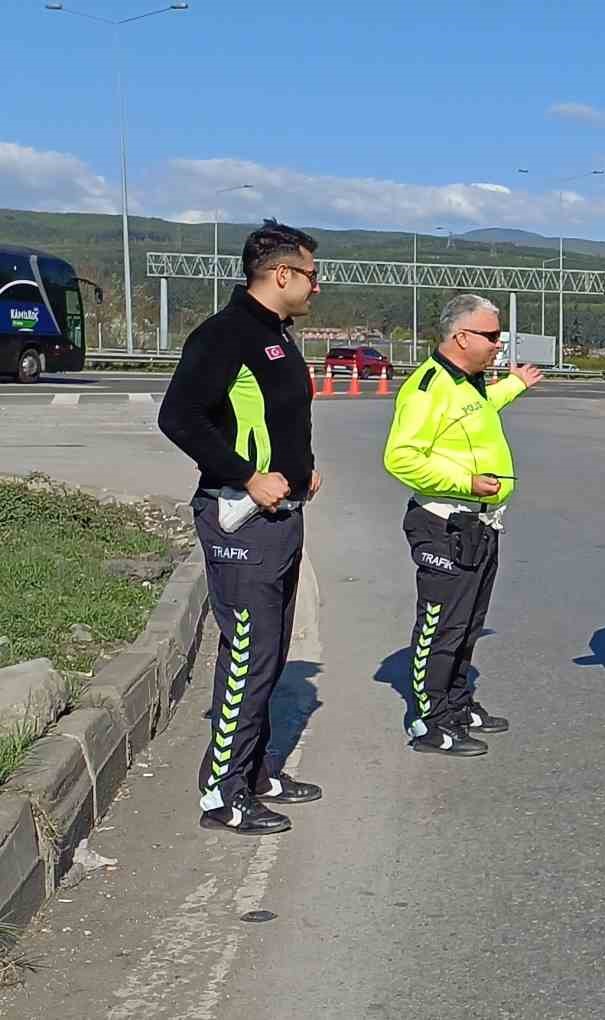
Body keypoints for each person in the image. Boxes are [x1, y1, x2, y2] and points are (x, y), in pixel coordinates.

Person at [158, 219, 325, 835]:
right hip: (239, 518)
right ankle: (222, 793)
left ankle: (252, 771)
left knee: (271, 650)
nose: (317, 287)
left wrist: (303, 468)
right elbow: (180, 418)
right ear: (281, 274)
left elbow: (272, 416)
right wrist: (249, 475)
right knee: (248, 654)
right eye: (311, 275)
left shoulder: (274, 335)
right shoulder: (226, 334)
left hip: (280, 516)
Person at [382, 294, 542, 755]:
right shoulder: (429, 387)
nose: (499, 344)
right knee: (441, 626)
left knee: (468, 623)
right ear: (461, 337)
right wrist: (466, 481)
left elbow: (479, 411)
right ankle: (428, 720)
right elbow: (401, 457)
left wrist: (513, 386)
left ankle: (456, 703)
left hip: (478, 525)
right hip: (443, 525)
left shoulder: (468, 383)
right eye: (492, 336)